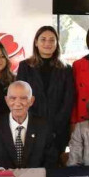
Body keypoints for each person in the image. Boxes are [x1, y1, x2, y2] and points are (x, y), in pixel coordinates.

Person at [16, 26, 75, 159]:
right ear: (36, 42)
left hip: (58, 129)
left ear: (56, 43)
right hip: (32, 127)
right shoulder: (25, 66)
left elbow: (68, 100)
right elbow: (21, 97)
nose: (47, 43)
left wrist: (55, 125)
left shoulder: (66, 69)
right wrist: (35, 124)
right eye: (43, 39)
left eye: (52, 40)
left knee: (55, 168)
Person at [0, 81, 55, 169]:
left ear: (31, 101)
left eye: (23, 98)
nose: (18, 103)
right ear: (6, 100)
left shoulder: (44, 127)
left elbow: (51, 161)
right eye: (12, 98)